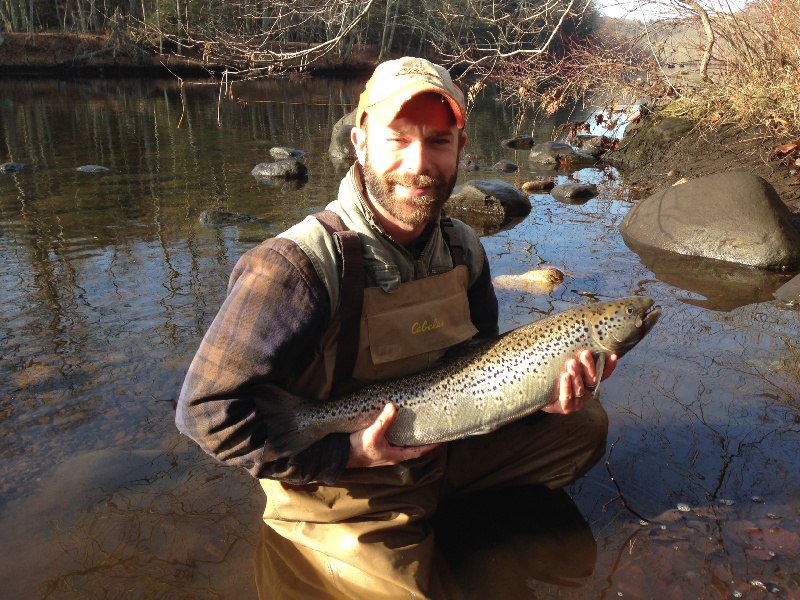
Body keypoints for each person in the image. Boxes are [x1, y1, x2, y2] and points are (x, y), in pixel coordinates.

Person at [177, 56, 616, 599]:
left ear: (460, 147)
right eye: (398, 139)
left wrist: (538, 398)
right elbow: (207, 416)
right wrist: (350, 452)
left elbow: (482, 361)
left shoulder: (463, 247)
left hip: (441, 445)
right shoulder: (294, 268)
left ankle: (447, 516)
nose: (419, 163)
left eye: (437, 140)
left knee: (582, 426)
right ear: (360, 143)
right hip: (344, 487)